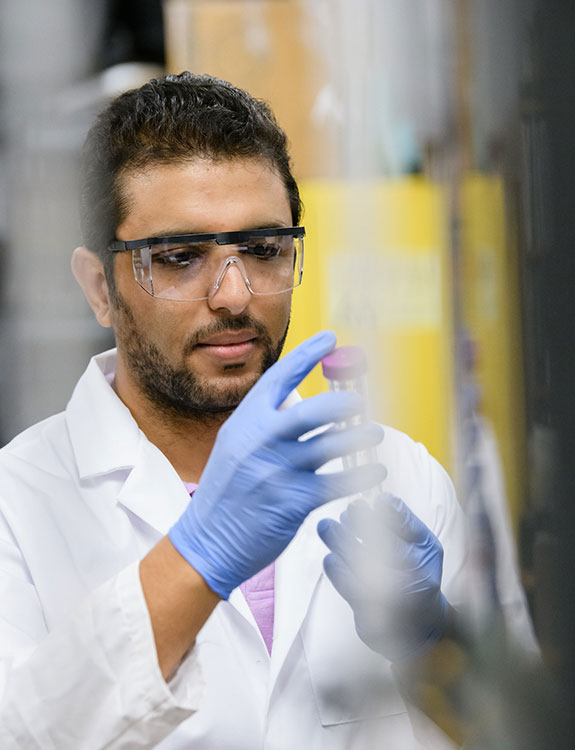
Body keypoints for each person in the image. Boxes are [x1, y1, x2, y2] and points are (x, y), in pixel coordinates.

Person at [0, 72, 475, 749]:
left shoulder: (400, 475)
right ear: (99, 289)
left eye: (261, 249)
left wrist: (434, 643)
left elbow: (503, 726)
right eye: (179, 258)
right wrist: (198, 557)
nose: (233, 295)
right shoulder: (16, 507)